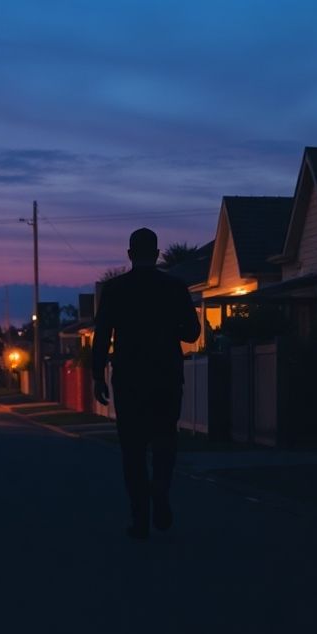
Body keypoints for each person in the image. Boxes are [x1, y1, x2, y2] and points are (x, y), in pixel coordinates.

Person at [92, 228, 200, 538]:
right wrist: (168, 327)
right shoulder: (175, 287)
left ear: (129, 254)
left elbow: (102, 338)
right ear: (156, 254)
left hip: (129, 379)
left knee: (133, 450)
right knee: (165, 439)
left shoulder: (114, 290)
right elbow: (192, 333)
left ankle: (140, 521)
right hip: (166, 376)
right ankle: (161, 486)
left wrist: (98, 375)